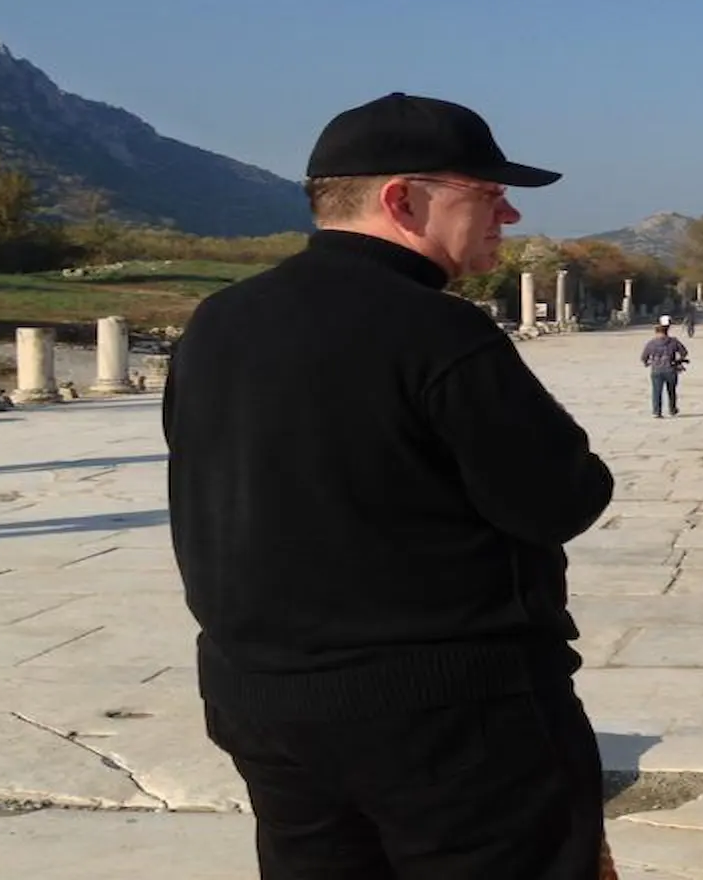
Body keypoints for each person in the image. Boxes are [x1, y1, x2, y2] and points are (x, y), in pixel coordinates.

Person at [163, 92, 617, 880]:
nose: (507, 215)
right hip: (448, 713)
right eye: (487, 194)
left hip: (260, 701)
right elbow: (557, 499)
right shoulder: (439, 332)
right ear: (402, 200)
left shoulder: (220, 320)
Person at [641, 323, 688, 418]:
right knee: (671, 391)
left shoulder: (651, 343)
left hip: (656, 370)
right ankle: (672, 409)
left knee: (656, 391)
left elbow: (644, 357)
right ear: (667, 331)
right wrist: (678, 361)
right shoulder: (673, 342)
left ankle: (656, 411)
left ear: (656, 332)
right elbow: (684, 352)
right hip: (670, 369)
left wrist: (647, 363)